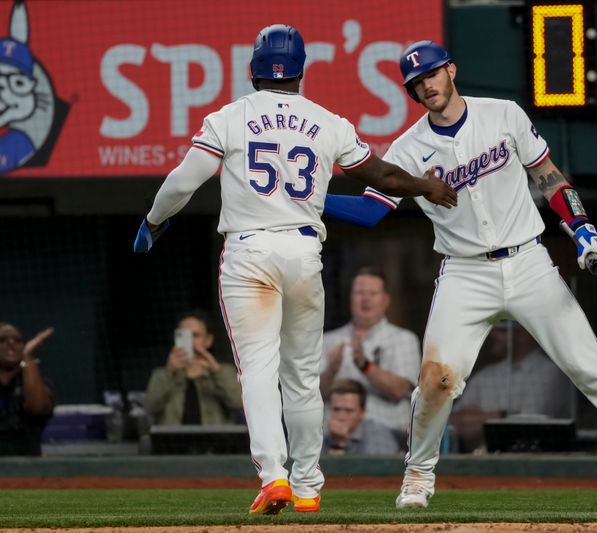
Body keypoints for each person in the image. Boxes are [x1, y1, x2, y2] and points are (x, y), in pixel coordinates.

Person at [322, 40, 597, 508]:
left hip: (527, 261)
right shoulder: (408, 147)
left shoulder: (504, 114)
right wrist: (309, 197)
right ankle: (417, 476)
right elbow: (368, 212)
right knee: (436, 380)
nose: (427, 86)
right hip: (464, 273)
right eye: (417, 83)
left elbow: (549, 176)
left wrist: (581, 227)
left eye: (433, 75)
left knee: (591, 369)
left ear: (451, 71)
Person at [132, 25, 456, 515]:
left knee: (258, 370)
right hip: (304, 252)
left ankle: (274, 476)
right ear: (302, 71)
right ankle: (307, 485)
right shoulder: (327, 120)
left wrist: (155, 219)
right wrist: (425, 188)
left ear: (252, 70)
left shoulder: (230, 116)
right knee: (303, 376)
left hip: (250, 252)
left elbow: (183, 181)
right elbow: (382, 176)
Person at [320, 267, 421, 444]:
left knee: (374, 436)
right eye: (360, 293)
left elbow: (399, 390)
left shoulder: (404, 339)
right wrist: (331, 371)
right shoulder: (328, 340)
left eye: (372, 293)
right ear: (351, 298)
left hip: (385, 431)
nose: (365, 299)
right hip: (330, 434)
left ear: (385, 300)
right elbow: (311, 395)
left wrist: (365, 365)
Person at [450, 321, 573, 453]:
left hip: (531, 466)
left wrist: (480, 418)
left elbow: (526, 428)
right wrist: (502, 415)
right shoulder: (485, 375)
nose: (492, 333)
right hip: (484, 466)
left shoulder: (550, 372)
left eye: (502, 329)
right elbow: (455, 424)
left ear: (523, 333)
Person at [143, 310, 241, 426]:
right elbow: (150, 407)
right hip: (173, 442)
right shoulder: (162, 374)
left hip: (214, 442)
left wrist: (215, 370)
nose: (190, 341)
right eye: (184, 335)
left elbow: (238, 403)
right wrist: (169, 373)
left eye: (195, 335)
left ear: (208, 340)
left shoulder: (224, 371)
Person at [0, 321, 55, 456]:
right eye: (2, 339)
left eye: (18, 340)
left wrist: (27, 356)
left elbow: (37, 408)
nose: (11, 343)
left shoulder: (38, 382)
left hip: (28, 470)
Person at [322, 379, 399, 455]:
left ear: (363, 412)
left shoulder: (378, 435)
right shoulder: (321, 434)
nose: (341, 417)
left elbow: (380, 466)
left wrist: (341, 443)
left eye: (349, 410)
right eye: (336, 409)